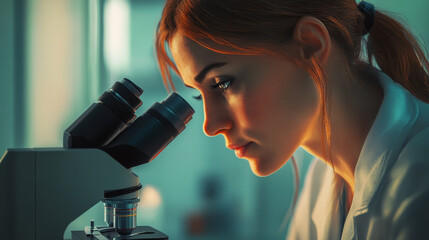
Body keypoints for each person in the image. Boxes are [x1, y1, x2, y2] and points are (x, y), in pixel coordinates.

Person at [155, 0, 429, 239]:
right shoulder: (322, 183)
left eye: (224, 83)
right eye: (199, 97)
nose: (211, 126)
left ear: (311, 44)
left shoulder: (420, 177)